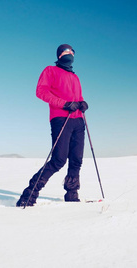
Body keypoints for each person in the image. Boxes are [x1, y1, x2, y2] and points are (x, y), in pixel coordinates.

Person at [16, 44, 88, 207]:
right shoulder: (50, 70)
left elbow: (78, 96)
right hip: (61, 118)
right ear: (59, 55)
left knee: (76, 159)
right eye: (65, 51)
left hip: (78, 120)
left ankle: (72, 194)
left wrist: (82, 103)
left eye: (71, 52)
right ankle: (29, 194)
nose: (69, 53)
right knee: (59, 159)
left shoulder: (75, 77)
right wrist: (64, 104)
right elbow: (41, 91)